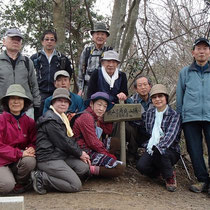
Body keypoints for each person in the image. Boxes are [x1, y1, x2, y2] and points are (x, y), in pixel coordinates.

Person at [32, 88, 90, 194]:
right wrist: (80, 153)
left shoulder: (62, 117)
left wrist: (81, 153)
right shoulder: (50, 119)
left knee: (83, 167)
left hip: (60, 156)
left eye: (66, 101)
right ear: (53, 102)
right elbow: (64, 142)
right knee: (75, 186)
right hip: (48, 158)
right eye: (59, 101)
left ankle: (60, 177)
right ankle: (42, 177)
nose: (63, 104)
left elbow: (69, 140)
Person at [176, 37, 210, 194]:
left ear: (209, 52)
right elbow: (180, 96)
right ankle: (202, 180)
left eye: (205, 48)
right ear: (193, 52)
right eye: (198, 48)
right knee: (195, 150)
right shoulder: (185, 72)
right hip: (190, 118)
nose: (201, 51)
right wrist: (180, 116)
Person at [136, 84, 181, 192]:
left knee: (161, 152)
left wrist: (157, 147)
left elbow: (170, 137)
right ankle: (163, 172)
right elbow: (139, 124)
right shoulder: (149, 114)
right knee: (141, 166)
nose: (157, 99)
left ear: (166, 98)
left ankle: (170, 177)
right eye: (154, 97)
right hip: (152, 147)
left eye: (160, 96)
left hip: (170, 150)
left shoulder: (174, 115)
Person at [72, 92, 125, 177]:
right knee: (119, 168)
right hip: (84, 150)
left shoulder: (94, 116)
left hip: (90, 146)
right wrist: (107, 155)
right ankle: (90, 170)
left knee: (115, 142)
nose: (101, 109)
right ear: (91, 104)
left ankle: (102, 162)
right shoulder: (87, 117)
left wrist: (103, 120)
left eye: (104, 106)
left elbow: (107, 131)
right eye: (99, 105)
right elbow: (93, 143)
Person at [0, 84, 36, 195]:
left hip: (17, 161)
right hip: (2, 161)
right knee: (6, 186)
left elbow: (34, 141)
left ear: (24, 102)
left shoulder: (29, 121)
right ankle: (8, 181)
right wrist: (20, 153)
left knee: (30, 161)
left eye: (19, 98)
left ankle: (19, 183)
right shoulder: (1, 119)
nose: (16, 102)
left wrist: (32, 148)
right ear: (7, 101)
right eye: (12, 98)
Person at [0, 28, 40, 119]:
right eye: (12, 39)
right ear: (4, 41)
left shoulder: (27, 62)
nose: (15, 42)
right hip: (3, 110)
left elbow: (34, 85)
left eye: (18, 40)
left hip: (26, 110)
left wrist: (37, 106)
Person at [31, 30, 73, 116]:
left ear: (55, 42)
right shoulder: (35, 58)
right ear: (42, 42)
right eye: (47, 39)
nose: (49, 42)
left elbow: (69, 73)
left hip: (58, 92)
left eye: (52, 39)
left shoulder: (62, 58)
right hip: (40, 92)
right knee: (39, 116)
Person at [77, 22, 112, 99]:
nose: (100, 36)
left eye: (102, 34)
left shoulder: (110, 51)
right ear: (93, 36)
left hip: (105, 88)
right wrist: (80, 89)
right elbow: (81, 72)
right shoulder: (87, 51)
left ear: (106, 37)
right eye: (97, 34)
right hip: (87, 87)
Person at [126, 76, 153, 162]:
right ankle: (132, 152)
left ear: (150, 86)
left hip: (151, 132)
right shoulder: (131, 101)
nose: (143, 87)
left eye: (145, 84)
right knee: (129, 127)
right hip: (137, 132)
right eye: (140, 85)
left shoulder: (156, 99)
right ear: (136, 88)